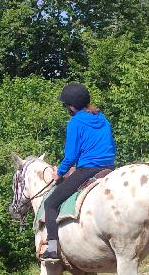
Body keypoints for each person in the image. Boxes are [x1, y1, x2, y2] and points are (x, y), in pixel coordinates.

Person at [40, 82, 116, 262]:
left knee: (50, 203)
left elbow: (70, 156)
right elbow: (110, 144)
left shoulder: (75, 122)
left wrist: (59, 173)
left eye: (65, 105)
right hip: (109, 167)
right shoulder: (101, 116)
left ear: (71, 106)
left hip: (88, 169)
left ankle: (52, 249)